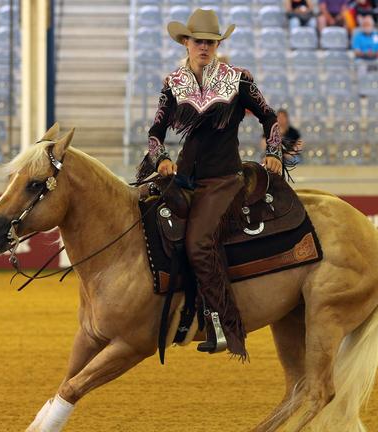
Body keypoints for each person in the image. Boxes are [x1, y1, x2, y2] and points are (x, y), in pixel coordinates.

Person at [142, 9, 285, 359]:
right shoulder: (173, 82)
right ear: (186, 43)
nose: (203, 46)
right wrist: (160, 157)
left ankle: (223, 323)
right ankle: (177, 310)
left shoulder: (239, 79)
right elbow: (155, 133)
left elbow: (269, 117)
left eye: (210, 41)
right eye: (198, 41)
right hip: (184, 178)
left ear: (217, 44)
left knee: (199, 242)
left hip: (223, 180)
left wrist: (275, 152)